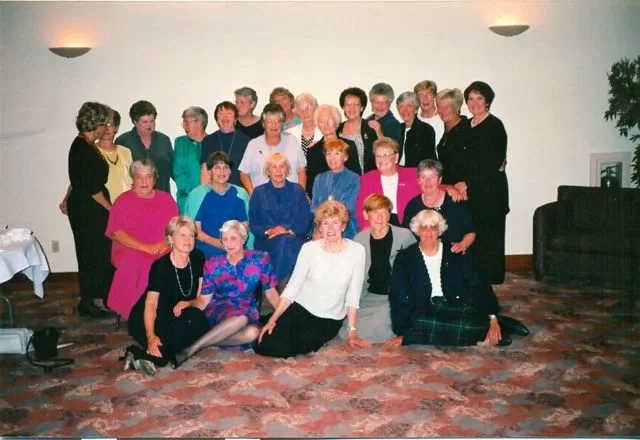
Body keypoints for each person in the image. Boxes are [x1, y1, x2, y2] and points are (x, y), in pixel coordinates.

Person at [385, 210, 527, 348]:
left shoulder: (454, 252)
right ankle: (486, 331)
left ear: (440, 230)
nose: (428, 232)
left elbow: (478, 284)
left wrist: (493, 318)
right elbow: (399, 295)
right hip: (426, 309)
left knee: (437, 326)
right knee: (422, 323)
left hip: (456, 303)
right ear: (417, 230)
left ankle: (492, 326)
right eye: (424, 227)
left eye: (433, 227)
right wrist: (402, 332)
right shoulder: (405, 258)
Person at [256, 200, 371, 358]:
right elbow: (292, 288)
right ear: (319, 227)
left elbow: (353, 295)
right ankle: (267, 318)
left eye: (335, 222)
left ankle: (263, 320)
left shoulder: (357, 251)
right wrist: (274, 319)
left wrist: (352, 332)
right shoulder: (309, 248)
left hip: (329, 318)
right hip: (302, 307)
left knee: (284, 349)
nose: (330, 228)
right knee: (263, 344)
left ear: (343, 226)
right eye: (325, 223)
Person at [171, 221, 281, 368]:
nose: (228, 244)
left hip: (247, 310)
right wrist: (190, 303)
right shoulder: (214, 263)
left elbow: (271, 293)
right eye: (225, 239)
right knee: (240, 319)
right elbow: (204, 300)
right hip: (219, 309)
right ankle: (189, 351)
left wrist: (282, 317)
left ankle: (204, 340)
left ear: (243, 238)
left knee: (253, 334)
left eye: (233, 238)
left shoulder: (260, 259)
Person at [125, 216, 209, 373]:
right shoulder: (160, 266)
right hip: (155, 313)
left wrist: (189, 303)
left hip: (178, 312)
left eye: (191, 235)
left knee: (200, 321)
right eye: (182, 235)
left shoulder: (198, 257)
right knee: (163, 354)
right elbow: (151, 304)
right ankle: (134, 354)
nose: (188, 239)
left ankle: (164, 349)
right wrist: (150, 336)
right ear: (170, 239)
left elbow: (198, 297)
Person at [105, 159, 179, 320]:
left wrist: (163, 243)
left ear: (155, 178)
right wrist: (145, 248)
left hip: (163, 246)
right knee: (142, 265)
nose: (144, 181)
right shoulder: (123, 200)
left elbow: (175, 228)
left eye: (148, 176)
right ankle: (136, 313)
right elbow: (117, 233)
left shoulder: (166, 199)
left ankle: (165, 310)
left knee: (174, 261)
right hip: (129, 249)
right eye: (139, 177)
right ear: (133, 179)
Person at [338, 194, 415, 343]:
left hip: (393, 297)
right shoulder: (360, 239)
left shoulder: (404, 236)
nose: (380, 218)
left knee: (379, 323)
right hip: (368, 296)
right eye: (375, 212)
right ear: (366, 215)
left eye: (384, 212)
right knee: (348, 328)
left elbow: (414, 272)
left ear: (389, 215)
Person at [65, 102, 113, 318]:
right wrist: (111, 209)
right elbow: (91, 187)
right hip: (88, 209)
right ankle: (89, 302)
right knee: (91, 254)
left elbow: (77, 180)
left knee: (94, 253)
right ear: (97, 125)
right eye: (105, 124)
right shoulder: (83, 148)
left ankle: (94, 298)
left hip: (86, 207)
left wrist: (66, 199)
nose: (106, 128)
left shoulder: (83, 144)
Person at [463, 81, 510, 285]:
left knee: (491, 236)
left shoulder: (494, 125)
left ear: (488, 101)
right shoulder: (467, 125)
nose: (475, 103)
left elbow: (493, 163)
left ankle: (491, 280)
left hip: (490, 189)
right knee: (475, 234)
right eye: (471, 99)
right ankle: (477, 278)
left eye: (479, 98)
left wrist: (468, 183)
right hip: (472, 189)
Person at [249, 153, 313, 284]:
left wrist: (289, 231)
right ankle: (283, 289)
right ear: (267, 171)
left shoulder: (298, 190)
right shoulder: (258, 192)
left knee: (286, 242)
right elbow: (254, 223)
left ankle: (273, 288)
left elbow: (306, 219)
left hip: (295, 238)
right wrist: (269, 231)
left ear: (287, 170)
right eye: (274, 167)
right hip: (267, 241)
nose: (278, 170)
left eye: (282, 166)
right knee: (284, 244)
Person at [59, 108, 132, 214]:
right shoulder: (91, 151)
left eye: (110, 125)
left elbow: (132, 179)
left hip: (124, 206)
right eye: (104, 125)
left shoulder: (126, 151)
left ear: (116, 128)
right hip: (101, 207)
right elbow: (80, 179)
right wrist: (66, 199)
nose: (107, 129)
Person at [402, 160, 475, 253]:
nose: (428, 181)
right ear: (418, 181)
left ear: (439, 180)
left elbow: (470, 231)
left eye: (432, 177)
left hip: (453, 255)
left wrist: (462, 245)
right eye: (423, 177)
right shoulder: (413, 205)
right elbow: (406, 235)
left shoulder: (455, 202)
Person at [238, 103, 306, 195]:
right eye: (269, 121)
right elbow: (244, 173)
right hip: (263, 199)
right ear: (263, 124)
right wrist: (253, 194)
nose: (274, 125)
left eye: (278, 121)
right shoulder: (253, 144)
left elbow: (301, 170)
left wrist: (300, 194)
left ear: (282, 123)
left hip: (291, 198)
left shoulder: (292, 141)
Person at [192, 152, 249, 259]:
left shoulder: (238, 195)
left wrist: (231, 244)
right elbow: (197, 230)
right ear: (209, 172)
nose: (222, 171)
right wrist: (218, 243)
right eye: (217, 167)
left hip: (233, 246)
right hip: (207, 246)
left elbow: (244, 229)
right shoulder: (201, 195)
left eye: (226, 167)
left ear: (230, 171)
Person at [355, 137, 420, 229]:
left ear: (396, 157)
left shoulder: (413, 174)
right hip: (380, 225)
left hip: (409, 225)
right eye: (378, 156)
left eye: (385, 155)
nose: (381, 159)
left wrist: (447, 188)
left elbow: (431, 186)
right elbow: (360, 209)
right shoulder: (366, 179)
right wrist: (368, 231)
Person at [115, 100, 173, 193]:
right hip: (134, 198)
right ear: (135, 121)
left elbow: (173, 169)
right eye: (145, 122)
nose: (149, 125)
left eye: (152, 121)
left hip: (161, 196)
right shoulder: (123, 141)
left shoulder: (164, 140)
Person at [306, 104, 362, 198]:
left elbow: (356, 176)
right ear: (317, 124)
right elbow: (311, 182)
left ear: (336, 122)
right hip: (321, 202)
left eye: (330, 120)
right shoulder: (313, 150)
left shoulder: (349, 145)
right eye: (321, 121)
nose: (326, 125)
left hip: (346, 198)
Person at [311, 139, 360, 239]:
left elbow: (348, 207)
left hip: (346, 225)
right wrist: (321, 226)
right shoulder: (319, 178)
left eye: (337, 153)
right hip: (321, 224)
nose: (332, 158)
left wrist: (328, 227)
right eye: (329, 154)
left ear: (345, 157)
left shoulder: (354, 178)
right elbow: (314, 206)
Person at [200, 101, 250, 187]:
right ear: (217, 119)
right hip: (215, 191)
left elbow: (248, 173)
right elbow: (205, 171)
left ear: (235, 118)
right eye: (221, 113)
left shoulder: (246, 141)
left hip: (239, 191)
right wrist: (204, 193)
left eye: (229, 113)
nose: (225, 116)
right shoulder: (208, 141)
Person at [174, 106, 208, 213]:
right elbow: (177, 171)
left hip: (208, 197)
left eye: (187, 123)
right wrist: (189, 191)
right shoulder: (180, 142)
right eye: (184, 122)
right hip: (185, 197)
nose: (185, 126)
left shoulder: (213, 141)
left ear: (199, 123)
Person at [435, 88, 470, 190]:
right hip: (449, 188)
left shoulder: (467, 129)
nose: (442, 111)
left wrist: (468, 185)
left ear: (457, 107)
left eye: (447, 107)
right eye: (439, 107)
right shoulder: (447, 131)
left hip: (463, 191)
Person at [337, 87, 378, 173]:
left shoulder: (370, 127)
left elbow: (381, 152)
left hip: (365, 179)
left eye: (356, 104)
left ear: (362, 107)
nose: (352, 108)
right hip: (342, 179)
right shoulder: (337, 129)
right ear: (343, 107)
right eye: (348, 104)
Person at [396, 91, 437, 166]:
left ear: (416, 109)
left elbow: (430, 159)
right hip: (398, 172)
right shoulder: (397, 128)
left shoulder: (426, 130)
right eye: (401, 106)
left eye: (409, 106)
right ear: (398, 110)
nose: (405, 110)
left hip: (417, 173)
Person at [366, 82, 402, 147]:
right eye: (376, 102)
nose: (380, 106)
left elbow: (394, 153)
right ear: (371, 103)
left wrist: (379, 134)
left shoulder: (394, 125)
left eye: (384, 102)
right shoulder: (368, 120)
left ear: (389, 104)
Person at [414, 80, 444, 144]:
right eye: (421, 95)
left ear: (435, 96)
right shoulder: (414, 121)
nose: (425, 98)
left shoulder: (443, 118)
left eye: (429, 94)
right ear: (417, 98)